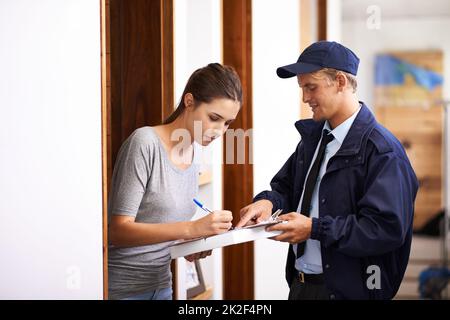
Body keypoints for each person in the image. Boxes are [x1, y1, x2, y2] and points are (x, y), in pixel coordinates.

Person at [236, 41, 418, 300]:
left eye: (311, 87)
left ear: (341, 81)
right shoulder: (314, 139)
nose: (305, 98)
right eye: (302, 88)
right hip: (301, 286)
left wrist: (315, 229)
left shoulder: (382, 150)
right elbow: (287, 188)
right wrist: (268, 202)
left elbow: (385, 228)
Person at [108, 63, 242, 300]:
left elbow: (159, 226)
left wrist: (193, 243)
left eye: (228, 123)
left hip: (162, 286)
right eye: (214, 118)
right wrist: (191, 228)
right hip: (124, 289)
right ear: (189, 101)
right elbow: (117, 231)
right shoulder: (144, 143)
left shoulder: (193, 151)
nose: (220, 131)